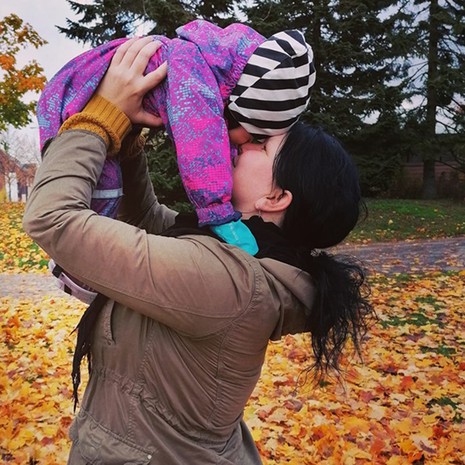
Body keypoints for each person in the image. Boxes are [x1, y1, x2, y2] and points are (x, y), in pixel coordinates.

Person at [23, 38, 373, 465]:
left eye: (261, 145)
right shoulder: (239, 252)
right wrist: (128, 131)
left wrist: (97, 118)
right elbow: (147, 220)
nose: (241, 141)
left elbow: (52, 218)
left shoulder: (230, 284)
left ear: (276, 197)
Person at [37, 19, 316, 258]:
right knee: (99, 201)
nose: (245, 145)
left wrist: (125, 128)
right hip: (79, 102)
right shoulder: (192, 72)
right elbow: (202, 143)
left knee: (104, 192)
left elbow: (144, 215)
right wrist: (218, 212)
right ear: (239, 110)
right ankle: (79, 272)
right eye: (257, 136)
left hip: (87, 99)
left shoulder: (204, 69)